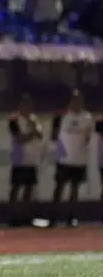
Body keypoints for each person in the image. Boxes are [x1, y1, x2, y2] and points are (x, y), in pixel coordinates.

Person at [49, 90, 94, 227]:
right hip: (63, 159)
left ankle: (71, 217)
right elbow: (54, 135)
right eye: (74, 100)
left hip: (79, 159)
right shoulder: (61, 116)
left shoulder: (87, 118)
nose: (76, 103)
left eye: (79, 100)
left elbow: (87, 137)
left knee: (75, 189)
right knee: (59, 188)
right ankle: (53, 218)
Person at [7, 95, 43, 226]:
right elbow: (20, 139)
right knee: (16, 188)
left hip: (31, 159)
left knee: (29, 189)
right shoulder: (14, 120)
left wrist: (33, 128)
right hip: (19, 159)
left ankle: (25, 216)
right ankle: (12, 215)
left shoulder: (33, 120)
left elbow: (40, 134)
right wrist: (32, 133)